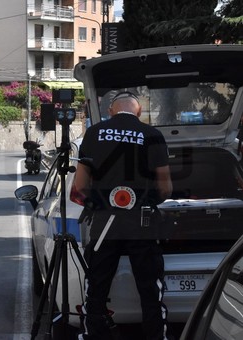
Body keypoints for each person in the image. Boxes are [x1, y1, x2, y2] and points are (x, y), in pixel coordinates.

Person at [73, 91, 174, 340]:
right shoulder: (153, 135)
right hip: (143, 223)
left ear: (110, 111)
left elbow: (79, 187)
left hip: (103, 225)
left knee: (96, 288)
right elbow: (165, 188)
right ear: (139, 112)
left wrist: (98, 203)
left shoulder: (94, 133)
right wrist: (147, 201)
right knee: (150, 290)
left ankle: (93, 336)